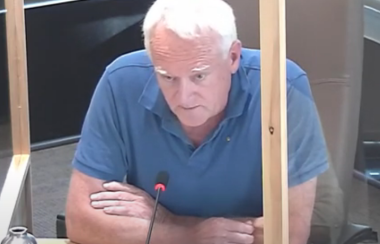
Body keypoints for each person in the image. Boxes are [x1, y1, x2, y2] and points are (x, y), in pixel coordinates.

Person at [65, 0, 330, 243]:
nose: (184, 97)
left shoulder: (282, 86)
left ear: (233, 57)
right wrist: (190, 236)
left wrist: (167, 221)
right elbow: (81, 222)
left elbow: (288, 234)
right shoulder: (120, 81)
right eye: (167, 77)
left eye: (199, 76)